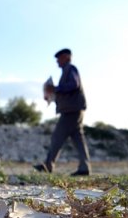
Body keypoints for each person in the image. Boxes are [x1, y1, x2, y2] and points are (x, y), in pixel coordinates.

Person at [34, 48, 92, 176]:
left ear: (66, 57)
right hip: (74, 109)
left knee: (57, 136)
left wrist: (55, 88)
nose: (57, 62)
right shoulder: (67, 71)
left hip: (71, 111)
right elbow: (67, 92)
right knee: (78, 139)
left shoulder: (70, 69)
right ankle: (84, 167)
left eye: (58, 58)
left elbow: (73, 85)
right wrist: (51, 96)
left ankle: (48, 165)